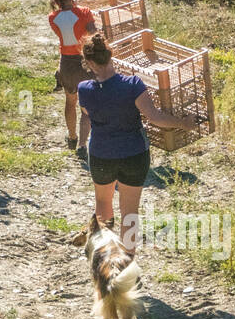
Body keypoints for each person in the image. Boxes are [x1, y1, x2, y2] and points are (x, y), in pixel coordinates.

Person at [77, 32, 199, 252]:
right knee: (130, 214)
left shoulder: (84, 89)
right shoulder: (133, 84)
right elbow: (155, 117)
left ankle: (103, 259)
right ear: (110, 55)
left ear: (90, 63)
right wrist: (184, 123)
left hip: (101, 154)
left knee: (103, 207)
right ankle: (126, 267)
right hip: (133, 154)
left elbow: (87, 112)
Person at [48, 0, 97, 150]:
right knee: (86, 108)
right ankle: (83, 144)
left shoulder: (52, 18)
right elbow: (94, 36)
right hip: (85, 62)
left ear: (56, 0)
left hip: (66, 64)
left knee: (70, 102)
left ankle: (72, 137)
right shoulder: (84, 12)